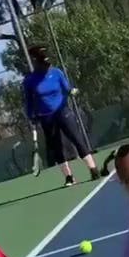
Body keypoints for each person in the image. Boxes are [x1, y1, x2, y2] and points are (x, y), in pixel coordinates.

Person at [23, 45, 100, 187]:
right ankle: (69, 177)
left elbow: (66, 88)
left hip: (63, 111)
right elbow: (28, 102)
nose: (48, 66)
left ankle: (93, 169)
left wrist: (72, 91)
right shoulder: (30, 81)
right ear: (35, 62)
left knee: (77, 139)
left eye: (48, 62)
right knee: (57, 148)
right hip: (46, 117)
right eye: (43, 63)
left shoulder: (56, 73)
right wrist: (30, 116)